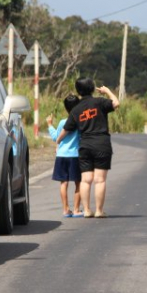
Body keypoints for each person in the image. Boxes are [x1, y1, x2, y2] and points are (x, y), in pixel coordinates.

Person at [56, 77, 120, 218]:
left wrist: (58, 141)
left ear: (78, 91)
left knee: (86, 180)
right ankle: (98, 211)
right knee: (100, 180)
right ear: (92, 88)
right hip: (101, 144)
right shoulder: (99, 102)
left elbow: (66, 130)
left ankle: (87, 210)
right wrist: (108, 91)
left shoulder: (76, 109)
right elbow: (116, 103)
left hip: (85, 146)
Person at [47, 94, 82, 218]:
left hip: (61, 156)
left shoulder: (63, 122)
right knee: (79, 183)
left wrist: (50, 125)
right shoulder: (80, 122)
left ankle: (65, 209)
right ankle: (77, 209)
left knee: (64, 183)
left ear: (66, 107)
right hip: (76, 155)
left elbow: (56, 138)